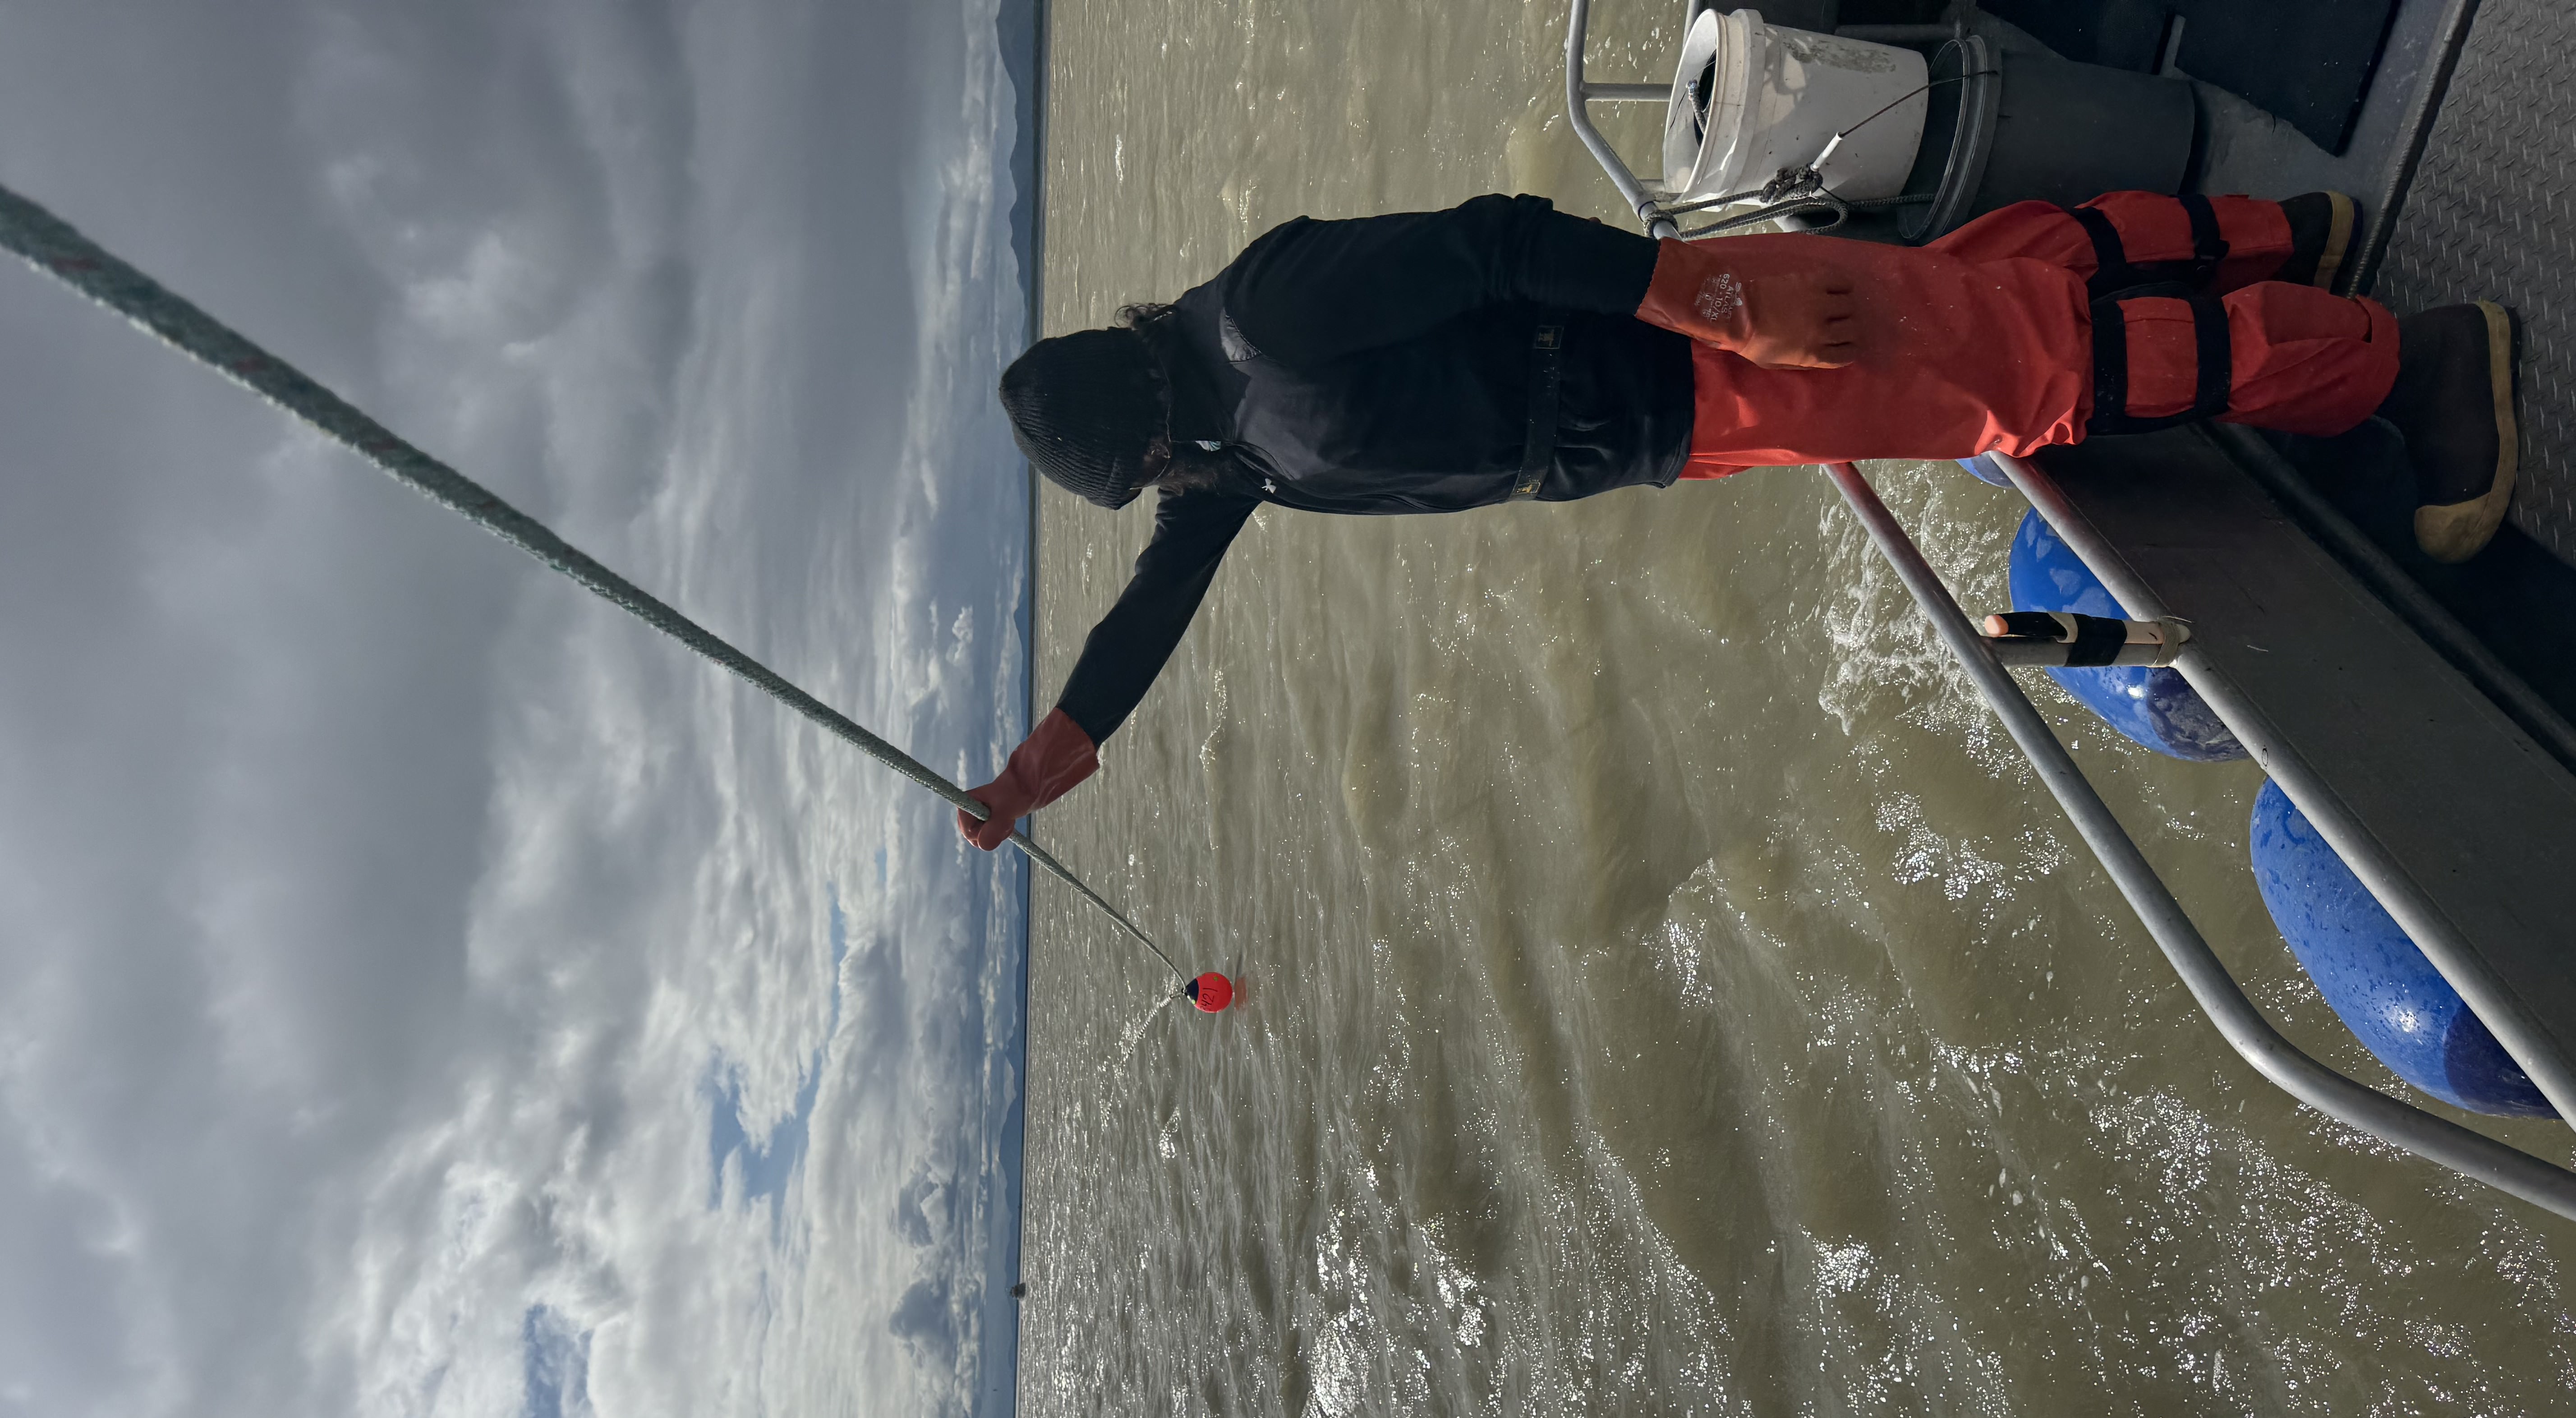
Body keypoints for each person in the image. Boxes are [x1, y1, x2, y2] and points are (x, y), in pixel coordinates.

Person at [959, 190, 2516, 848]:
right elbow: (1164, 592)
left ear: (1142, 420)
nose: (1162, 498)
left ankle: (2405, 362)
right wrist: (1066, 740)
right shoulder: (1230, 442)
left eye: (1144, 473)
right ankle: (2279, 239)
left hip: (1694, 355)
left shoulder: (1271, 315)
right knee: (1992, 271)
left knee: (2025, 378)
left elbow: (1500, 241)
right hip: (1673, 427)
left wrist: (1726, 312)